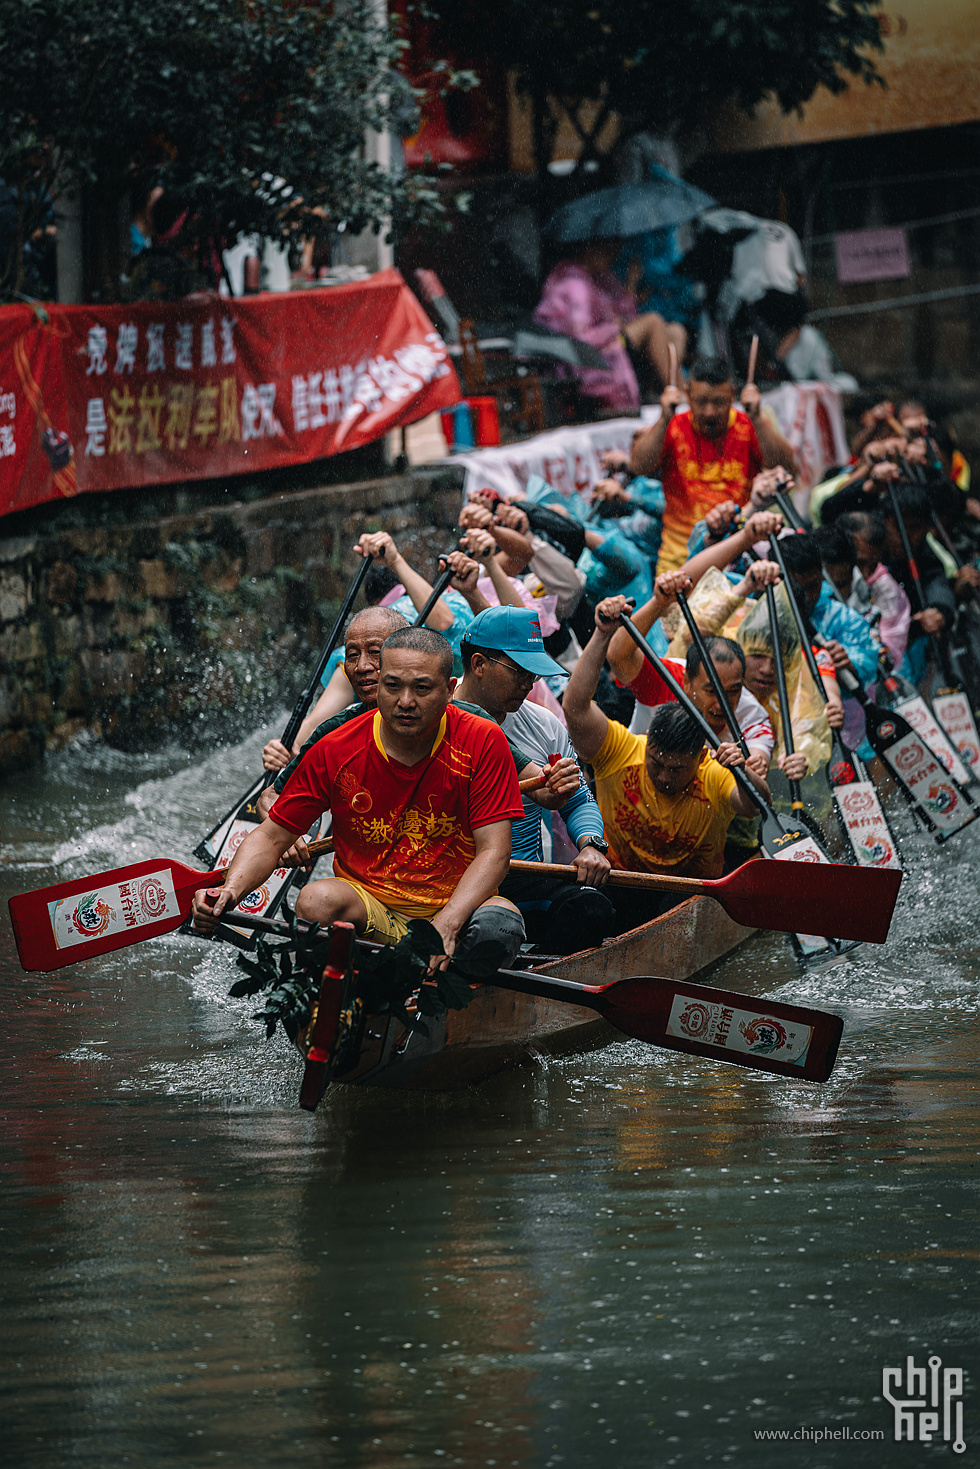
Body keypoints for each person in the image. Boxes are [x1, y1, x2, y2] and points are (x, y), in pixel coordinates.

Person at [192, 627, 527, 966]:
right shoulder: (335, 748)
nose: (405, 701)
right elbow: (271, 837)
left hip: (456, 906)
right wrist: (230, 891)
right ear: (378, 685)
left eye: (422, 688)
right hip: (372, 908)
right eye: (393, 686)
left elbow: (495, 852)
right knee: (314, 901)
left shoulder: (483, 739)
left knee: (501, 927)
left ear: (450, 689)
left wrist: (448, 923)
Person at [562, 595, 769, 907]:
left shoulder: (713, 772)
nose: (663, 777)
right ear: (647, 745)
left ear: (700, 760)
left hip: (686, 893)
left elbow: (755, 806)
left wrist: (743, 771)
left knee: (671, 902)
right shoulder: (622, 748)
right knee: (585, 908)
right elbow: (575, 708)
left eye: (676, 770)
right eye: (656, 764)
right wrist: (602, 634)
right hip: (617, 880)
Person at [455, 606, 616, 954]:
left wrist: (590, 845)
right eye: (520, 672)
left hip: (522, 875)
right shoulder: (433, 718)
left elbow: (578, 798)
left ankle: (542, 976)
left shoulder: (543, 724)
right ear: (479, 664)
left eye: (534, 675)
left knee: (591, 907)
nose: (529, 684)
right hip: (451, 878)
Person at [629, 355, 797, 573]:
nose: (709, 411)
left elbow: (786, 467)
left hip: (738, 555)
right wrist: (663, 419)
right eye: (701, 401)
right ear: (687, 395)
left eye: (718, 402)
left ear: (732, 395)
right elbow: (639, 466)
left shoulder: (747, 426)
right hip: (679, 559)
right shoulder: (674, 426)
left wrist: (756, 418)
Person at [606, 568, 776, 769]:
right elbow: (618, 656)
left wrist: (754, 765)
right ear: (686, 682)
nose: (722, 705)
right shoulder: (667, 678)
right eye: (711, 691)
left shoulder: (751, 715)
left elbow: (758, 761)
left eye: (732, 691)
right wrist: (659, 603)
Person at [533, 237, 683, 413]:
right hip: (589, 355)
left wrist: (631, 286)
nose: (613, 257)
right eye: (607, 252)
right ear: (589, 249)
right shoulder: (575, 284)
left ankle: (658, 391)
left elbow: (622, 313)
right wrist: (612, 328)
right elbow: (580, 337)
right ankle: (681, 395)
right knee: (653, 322)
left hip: (611, 339)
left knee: (676, 332)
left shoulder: (602, 278)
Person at [835, 512, 911, 671]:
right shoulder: (824, 582)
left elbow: (893, 644)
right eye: (859, 563)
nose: (864, 574)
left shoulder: (886, 588)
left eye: (873, 565)